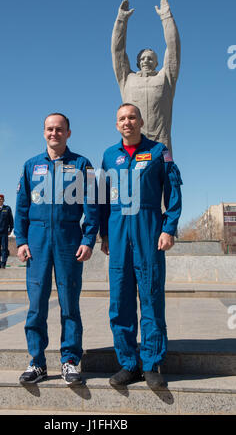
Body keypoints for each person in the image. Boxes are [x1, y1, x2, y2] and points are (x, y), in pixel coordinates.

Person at [100, 103, 182, 389]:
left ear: (141, 121)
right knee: (119, 302)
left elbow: (173, 193)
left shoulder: (160, 152)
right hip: (118, 230)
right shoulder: (109, 156)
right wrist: (104, 235)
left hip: (149, 230)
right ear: (116, 124)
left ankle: (151, 363)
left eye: (132, 117)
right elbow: (101, 199)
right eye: (121, 118)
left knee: (151, 298)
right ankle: (128, 364)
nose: (127, 122)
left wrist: (168, 229)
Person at [15, 112, 98, 386]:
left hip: (68, 239)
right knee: (36, 304)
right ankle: (37, 362)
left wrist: (88, 240)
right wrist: (22, 240)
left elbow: (92, 207)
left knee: (69, 303)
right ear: (43, 133)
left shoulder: (81, 164)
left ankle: (70, 361)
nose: (54, 133)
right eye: (50, 129)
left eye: (59, 129)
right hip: (37, 241)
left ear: (68, 133)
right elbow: (21, 208)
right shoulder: (30, 166)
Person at [111, 0, 180, 155]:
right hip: (133, 143)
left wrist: (166, 17)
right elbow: (118, 51)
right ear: (137, 63)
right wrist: (121, 19)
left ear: (157, 63)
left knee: (166, 180)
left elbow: (173, 48)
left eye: (150, 58)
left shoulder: (165, 78)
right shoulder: (127, 79)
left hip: (161, 143)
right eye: (142, 58)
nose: (146, 60)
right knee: (132, 179)